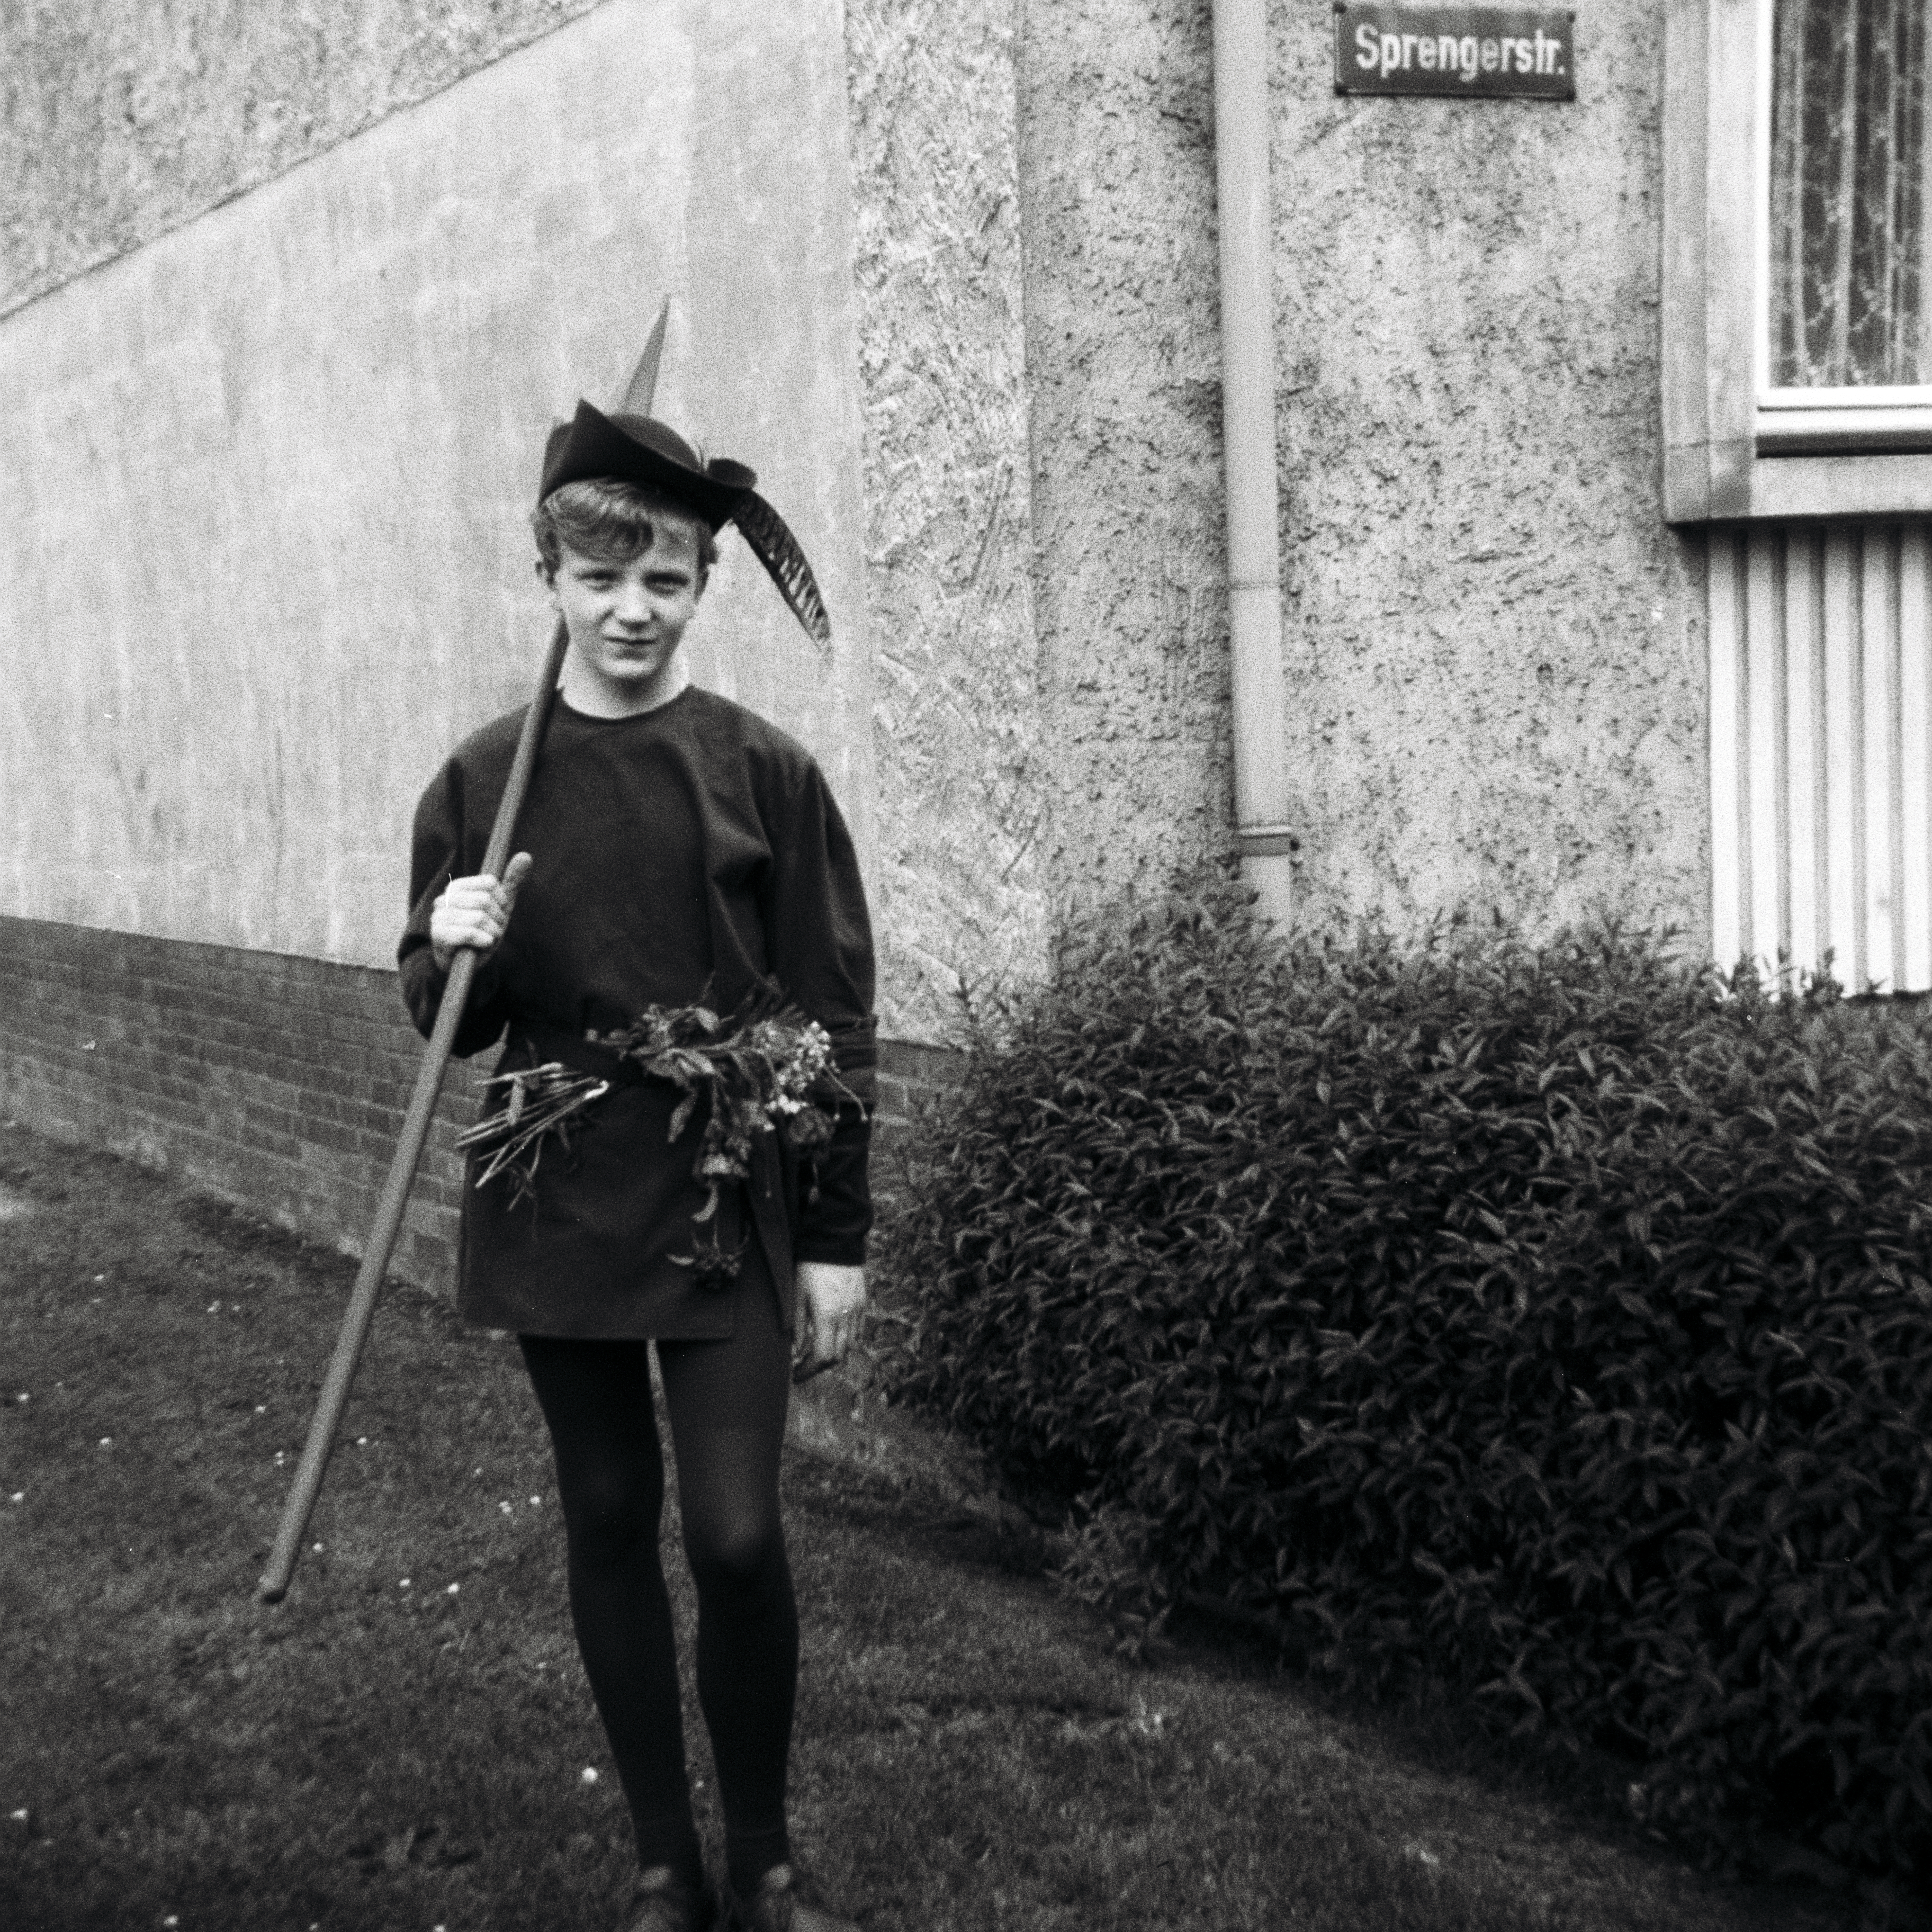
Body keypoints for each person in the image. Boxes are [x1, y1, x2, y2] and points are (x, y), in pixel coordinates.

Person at [398, 399, 873, 1932]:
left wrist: (836, 1236)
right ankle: (666, 1865)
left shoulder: (763, 771)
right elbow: (446, 1024)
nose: (629, 608)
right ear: (548, 577)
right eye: (599, 577)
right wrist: (446, 943)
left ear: (698, 589)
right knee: (607, 1513)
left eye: (663, 579)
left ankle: (766, 1857)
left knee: (733, 1532)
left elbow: (832, 1008)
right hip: (559, 1193)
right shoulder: (485, 781)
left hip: (728, 1185)